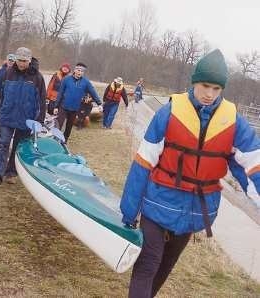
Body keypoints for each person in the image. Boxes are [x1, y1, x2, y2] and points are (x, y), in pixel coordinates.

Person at [120, 49, 260, 298]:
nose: (210, 94)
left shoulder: (233, 122)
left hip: (194, 212)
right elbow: (144, 162)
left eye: (217, 89)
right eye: (205, 85)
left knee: (164, 268)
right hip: (157, 203)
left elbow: (252, 166)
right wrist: (129, 211)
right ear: (195, 82)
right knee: (148, 264)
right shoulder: (169, 113)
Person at [0, 47, 46, 187]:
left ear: (29, 60)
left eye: (24, 61)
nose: (21, 63)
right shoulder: (8, 73)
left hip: (26, 120)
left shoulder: (37, 77)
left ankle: (11, 173)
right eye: (19, 60)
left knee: (17, 148)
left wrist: (39, 122)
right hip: (7, 117)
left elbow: (42, 101)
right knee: (2, 144)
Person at [54, 62, 102, 142]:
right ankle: (55, 140)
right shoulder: (66, 79)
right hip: (63, 107)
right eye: (78, 70)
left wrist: (99, 103)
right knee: (59, 125)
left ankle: (64, 141)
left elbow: (93, 92)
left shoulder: (86, 82)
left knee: (69, 127)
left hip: (75, 109)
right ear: (75, 70)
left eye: (82, 71)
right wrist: (56, 106)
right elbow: (60, 93)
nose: (80, 72)